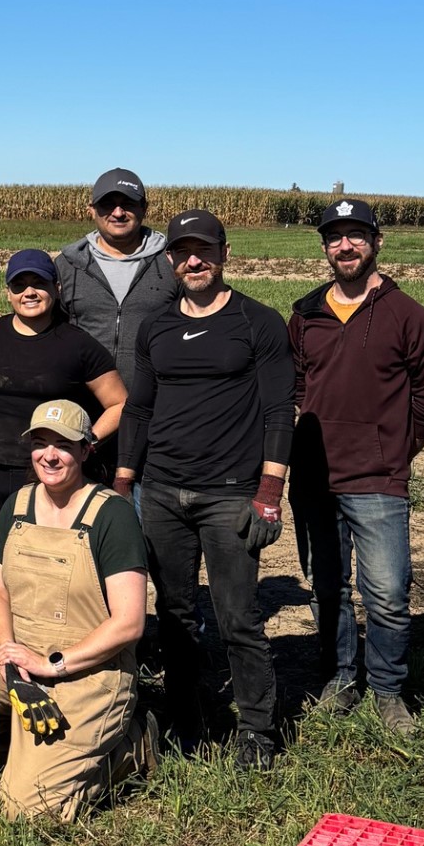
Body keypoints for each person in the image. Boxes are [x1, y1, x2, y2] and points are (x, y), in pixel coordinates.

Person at [115, 210, 295, 771]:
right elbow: (139, 408)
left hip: (230, 495)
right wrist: (124, 482)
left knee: (237, 614)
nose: (194, 261)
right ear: (170, 260)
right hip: (163, 491)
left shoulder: (257, 322)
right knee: (172, 612)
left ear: (224, 254)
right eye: (183, 252)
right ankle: (186, 718)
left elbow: (278, 410)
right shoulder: (157, 326)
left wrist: (269, 490)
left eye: (205, 251)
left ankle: (259, 731)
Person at [0, 400, 151, 821]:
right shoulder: (18, 505)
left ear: (85, 450)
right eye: (40, 443)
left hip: (86, 671)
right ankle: (31, 749)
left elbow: (130, 622)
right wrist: (8, 652)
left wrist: (51, 665)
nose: (50, 455)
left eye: (63, 444)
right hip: (23, 657)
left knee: (25, 811)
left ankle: (133, 745)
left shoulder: (112, 516)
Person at [288, 198, 424, 735]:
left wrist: (397, 449)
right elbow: (295, 385)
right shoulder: (305, 313)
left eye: (356, 235)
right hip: (314, 478)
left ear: (377, 242)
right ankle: (340, 677)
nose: (345, 245)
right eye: (335, 237)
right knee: (327, 587)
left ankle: (387, 689)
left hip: (378, 480)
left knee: (386, 592)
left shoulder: (410, 316)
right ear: (325, 248)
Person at [0, 249, 127, 653]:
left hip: (48, 477)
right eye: (20, 285)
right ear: (8, 293)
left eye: (38, 283)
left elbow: (120, 403)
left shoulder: (77, 345)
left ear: (56, 288)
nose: (29, 292)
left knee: (51, 569)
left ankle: (53, 651)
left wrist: (86, 441)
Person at [54, 168, 178, 485]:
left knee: (144, 519)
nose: (118, 212)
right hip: (83, 414)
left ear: (145, 209)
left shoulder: (171, 263)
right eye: (108, 204)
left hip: (154, 415)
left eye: (128, 204)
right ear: (91, 210)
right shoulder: (67, 265)